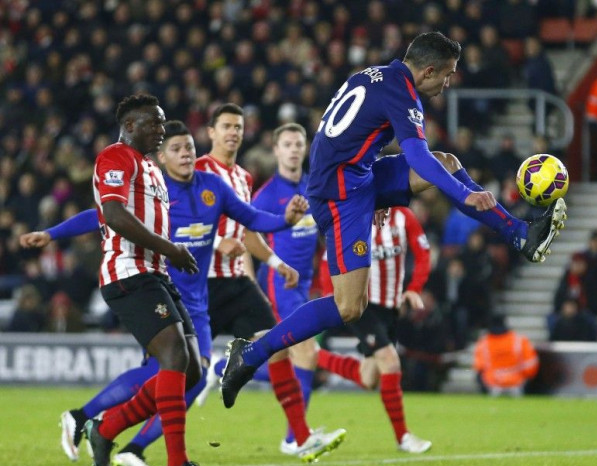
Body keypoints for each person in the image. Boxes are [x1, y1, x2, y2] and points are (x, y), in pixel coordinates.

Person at [221, 31, 567, 409]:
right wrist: (463, 194)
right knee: (349, 306)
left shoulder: (378, 75)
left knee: (448, 162)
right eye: (447, 75)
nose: (447, 83)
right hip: (340, 195)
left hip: (357, 177)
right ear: (429, 70)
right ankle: (251, 353)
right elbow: (416, 157)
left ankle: (521, 235)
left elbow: (346, 138)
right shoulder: (401, 91)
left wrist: (378, 192)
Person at [19, 117, 311, 466]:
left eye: (188, 147)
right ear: (161, 157)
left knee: (191, 377)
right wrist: (51, 234)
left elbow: (252, 218)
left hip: (197, 300)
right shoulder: (153, 192)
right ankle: (102, 428)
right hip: (156, 293)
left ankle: (104, 428)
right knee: (167, 371)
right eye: (176, 148)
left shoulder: (213, 188)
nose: (186, 154)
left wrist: (286, 219)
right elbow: (100, 217)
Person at [70, 95, 218, 466]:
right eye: (154, 124)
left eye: (164, 123)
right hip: (127, 273)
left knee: (190, 372)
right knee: (172, 355)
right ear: (131, 126)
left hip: (155, 274)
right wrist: (171, 249)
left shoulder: (151, 168)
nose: (161, 130)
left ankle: (106, 429)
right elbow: (114, 215)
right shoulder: (115, 157)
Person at [194, 105, 347, 460]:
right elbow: (246, 235)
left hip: (302, 283)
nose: (294, 149)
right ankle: (296, 437)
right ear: (276, 150)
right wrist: (249, 283)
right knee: (304, 353)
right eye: (287, 144)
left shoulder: (314, 186)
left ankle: (222, 369)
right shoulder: (265, 194)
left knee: (284, 354)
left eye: (299, 144)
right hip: (276, 287)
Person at [317, 205, 433, 453]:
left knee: (369, 377)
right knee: (390, 361)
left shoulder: (404, 216)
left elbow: (423, 252)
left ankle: (313, 356)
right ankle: (404, 437)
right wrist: (334, 299)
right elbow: (328, 261)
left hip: (390, 308)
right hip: (362, 305)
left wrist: (414, 287)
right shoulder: (353, 217)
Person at [473, 315, 539, 397]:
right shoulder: (519, 340)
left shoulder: (483, 342)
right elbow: (531, 366)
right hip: (517, 382)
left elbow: (479, 367)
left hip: (492, 382)